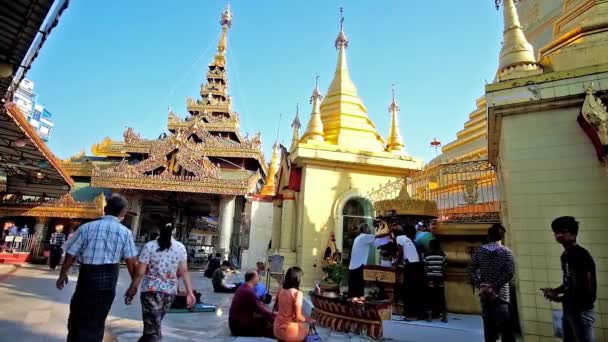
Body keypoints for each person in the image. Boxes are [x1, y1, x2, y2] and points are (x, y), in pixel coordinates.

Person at [56, 194, 138, 342]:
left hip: (87, 275)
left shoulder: (86, 227)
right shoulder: (125, 232)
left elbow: (71, 253)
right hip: (108, 277)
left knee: (78, 313)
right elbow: (131, 261)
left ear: (105, 209)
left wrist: (63, 273)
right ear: (122, 212)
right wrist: (133, 286)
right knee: (97, 318)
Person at [125, 223, 195, 341]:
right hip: (169, 293)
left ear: (158, 230)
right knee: (153, 326)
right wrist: (189, 292)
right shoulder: (180, 247)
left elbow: (141, 272)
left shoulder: (149, 246)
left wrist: (133, 288)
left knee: (152, 329)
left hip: (150, 292)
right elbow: (183, 271)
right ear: (173, 231)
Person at [542, 216, 596, 342]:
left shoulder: (581, 255)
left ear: (574, 233)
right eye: (556, 232)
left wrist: (559, 298)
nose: (559, 235)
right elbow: (569, 281)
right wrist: (555, 290)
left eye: (564, 231)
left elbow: (585, 287)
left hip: (581, 310)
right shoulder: (565, 255)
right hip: (569, 308)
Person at [467, 224, 515, 342]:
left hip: (485, 295)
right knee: (506, 330)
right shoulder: (506, 252)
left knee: (489, 329)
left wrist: (480, 284)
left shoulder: (480, 252)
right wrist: (494, 285)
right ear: (502, 237)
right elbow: (510, 272)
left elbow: (470, 269)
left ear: (488, 236)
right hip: (502, 296)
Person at [348, 222, 389, 298]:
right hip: (358, 266)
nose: (368, 229)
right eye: (367, 228)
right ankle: (357, 304)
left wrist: (387, 241)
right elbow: (378, 236)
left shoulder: (360, 238)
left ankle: (353, 304)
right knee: (358, 289)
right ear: (363, 229)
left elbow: (377, 243)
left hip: (354, 266)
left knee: (354, 290)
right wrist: (388, 234)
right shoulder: (364, 236)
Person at [228, 270, 275, 338]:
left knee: (265, 317)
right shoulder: (248, 291)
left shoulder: (243, 287)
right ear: (252, 278)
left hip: (234, 324)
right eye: (257, 276)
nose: (258, 278)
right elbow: (261, 309)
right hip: (239, 327)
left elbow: (257, 306)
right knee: (268, 321)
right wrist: (275, 315)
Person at [273, 266, 315, 341]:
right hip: (290, 330)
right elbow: (298, 317)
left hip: (277, 328)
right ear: (297, 279)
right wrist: (309, 320)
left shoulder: (280, 290)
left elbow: (276, 308)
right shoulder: (297, 293)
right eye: (301, 278)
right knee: (305, 331)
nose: (302, 280)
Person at [397, 225, 426, 320]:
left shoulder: (399, 238)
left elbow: (400, 252)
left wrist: (396, 263)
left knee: (409, 290)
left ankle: (411, 315)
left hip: (410, 267)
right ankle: (418, 314)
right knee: (416, 290)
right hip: (417, 266)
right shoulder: (411, 240)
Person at [423, 239, 447, 322]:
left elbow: (425, 267)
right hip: (439, 277)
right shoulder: (442, 255)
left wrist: (427, 274)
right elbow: (444, 267)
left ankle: (429, 317)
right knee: (441, 296)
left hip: (430, 277)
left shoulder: (427, 255)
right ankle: (444, 317)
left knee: (430, 297)